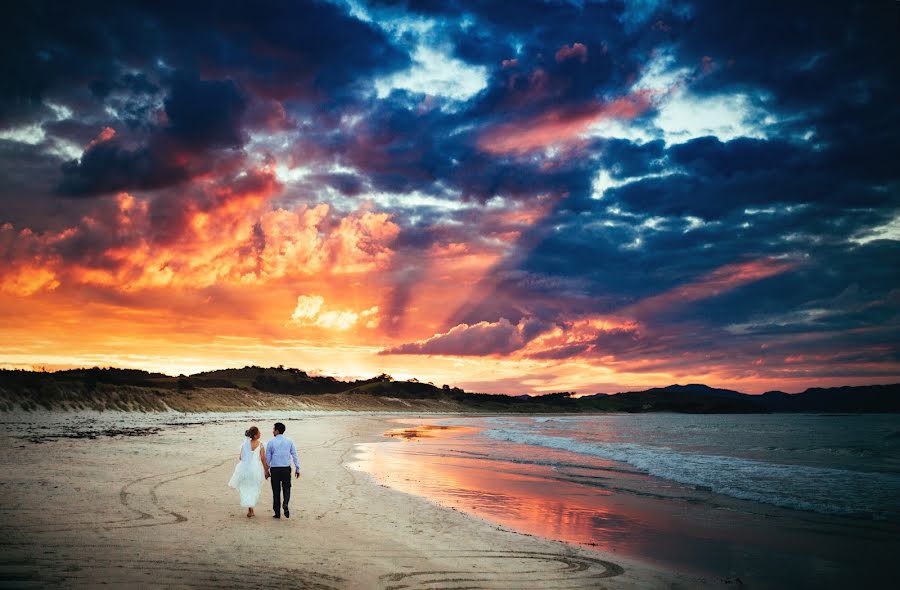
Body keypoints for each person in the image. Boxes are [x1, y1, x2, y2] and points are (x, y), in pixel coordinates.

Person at [227, 426, 270, 517]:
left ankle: (250, 509)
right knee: (254, 487)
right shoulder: (261, 444)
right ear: (255, 436)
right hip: (255, 469)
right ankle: (251, 508)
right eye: (259, 432)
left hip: (245, 469)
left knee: (246, 487)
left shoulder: (245, 444)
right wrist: (266, 471)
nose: (260, 433)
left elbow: (241, 457)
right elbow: (263, 459)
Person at [265, 422, 300, 518]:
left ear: (277, 431)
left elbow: (268, 458)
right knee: (287, 488)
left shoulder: (271, 442)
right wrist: (297, 468)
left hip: (275, 469)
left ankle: (277, 513)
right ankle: (285, 503)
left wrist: (266, 470)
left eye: (273, 429)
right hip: (286, 468)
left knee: (276, 491)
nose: (272, 431)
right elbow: (294, 455)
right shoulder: (289, 441)